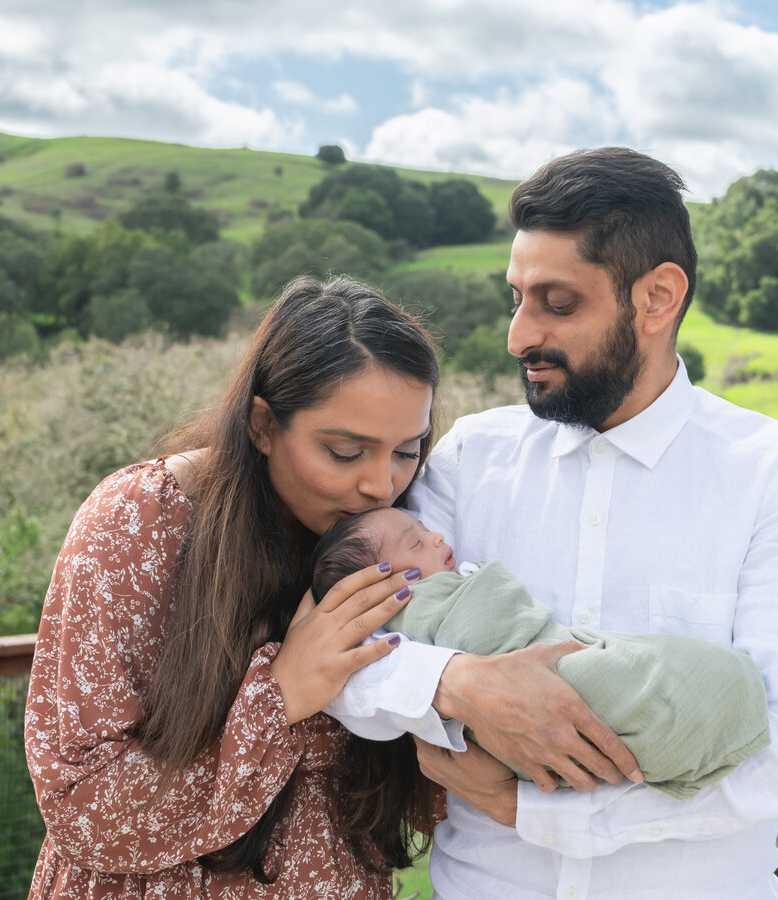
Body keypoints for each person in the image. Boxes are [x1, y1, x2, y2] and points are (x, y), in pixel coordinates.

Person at [396, 148, 778, 899]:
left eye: (558, 302)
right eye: (515, 297)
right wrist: (458, 683)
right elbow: (358, 657)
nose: (518, 337)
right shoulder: (469, 459)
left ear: (657, 297)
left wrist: (545, 814)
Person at [24, 276, 468, 898]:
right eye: (345, 451)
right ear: (262, 423)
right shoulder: (140, 521)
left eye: (407, 449)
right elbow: (80, 807)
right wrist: (283, 693)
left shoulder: (397, 535)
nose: (381, 484)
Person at [311, 506, 771, 799]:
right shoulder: (404, 616)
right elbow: (339, 675)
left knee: (633, 665)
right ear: (375, 588)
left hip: (561, 663)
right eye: (416, 542)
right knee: (620, 683)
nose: (436, 538)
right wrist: (457, 677)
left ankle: (706, 703)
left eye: (428, 531)